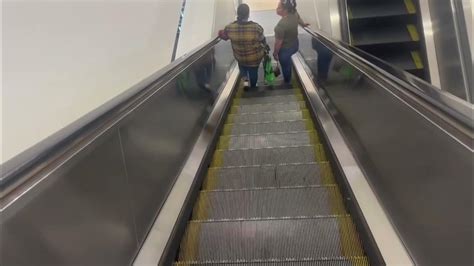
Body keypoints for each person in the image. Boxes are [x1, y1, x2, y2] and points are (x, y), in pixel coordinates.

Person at [219, 4, 267, 90]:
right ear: (248, 14)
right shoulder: (256, 27)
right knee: (253, 72)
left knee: (243, 71)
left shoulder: (230, 27)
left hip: (240, 57)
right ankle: (253, 85)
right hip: (254, 58)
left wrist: (220, 32)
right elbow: (263, 40)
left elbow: (224, 37)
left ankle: (245, 83)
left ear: (238, 14)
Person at [273, 0, 308, 84]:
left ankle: (287, 81)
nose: (276, 9)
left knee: (286, 66)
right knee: (288, 61)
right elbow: (298, 18)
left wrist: (275, 53)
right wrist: (303, 24)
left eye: (279, 8)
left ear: (285, 10)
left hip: (285, 50)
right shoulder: (294, 13)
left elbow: (278, 43)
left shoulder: (281, 26)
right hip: (295, 44)